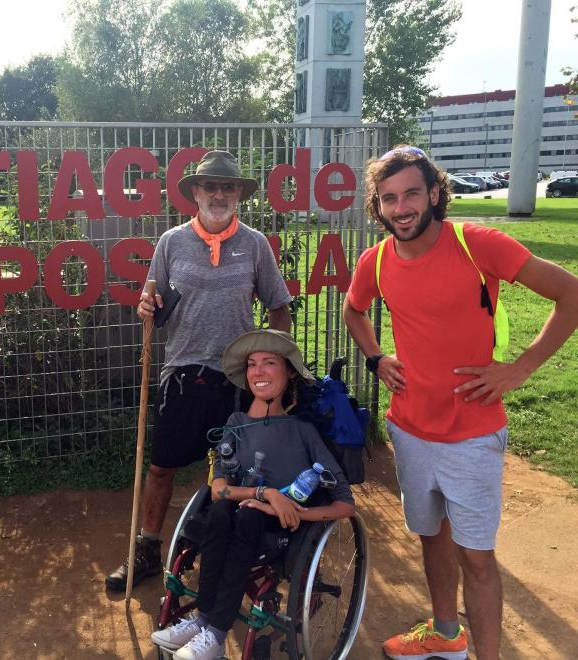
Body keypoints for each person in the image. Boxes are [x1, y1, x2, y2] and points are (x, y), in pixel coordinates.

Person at [343, 145, 578, 660]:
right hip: (409, 429)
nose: (400, 208)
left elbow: (572, 294)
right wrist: (376, 357)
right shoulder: (376, 259)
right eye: (388, 199)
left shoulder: (477, 244)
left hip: (472, 434)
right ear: (377, 207)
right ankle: (447, 635)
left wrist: (520, 368)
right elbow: (353, 310)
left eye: (410, 194)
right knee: (432, 538)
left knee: (477, 558)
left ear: (433, 193)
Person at [105, 151, 293, 591]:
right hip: (184, 374)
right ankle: (148, 549)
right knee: (160, 469)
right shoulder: (171, 242)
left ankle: (231, 550)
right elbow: (155, 304)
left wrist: (270, 359)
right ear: (195, 193)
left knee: (241, 473)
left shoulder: (255, 244)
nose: (219, 194)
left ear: (238, 195)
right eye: (210, 186)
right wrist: (145, 306)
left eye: (227, 187)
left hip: (237, 381)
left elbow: (279, 307)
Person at [151, 329, 355, 660]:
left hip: (278, 530)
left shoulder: (304, 432)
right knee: (221, 511)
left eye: (269, 363)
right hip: (229, 519)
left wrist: (293, 511)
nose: (258, 371)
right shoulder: (235, 422)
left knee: (247, 514)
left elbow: (345, 505)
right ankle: (207, 624)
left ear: (289, 372)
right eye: (252, 364)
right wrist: (266, 492)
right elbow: (219, 489)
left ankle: (212, 631)